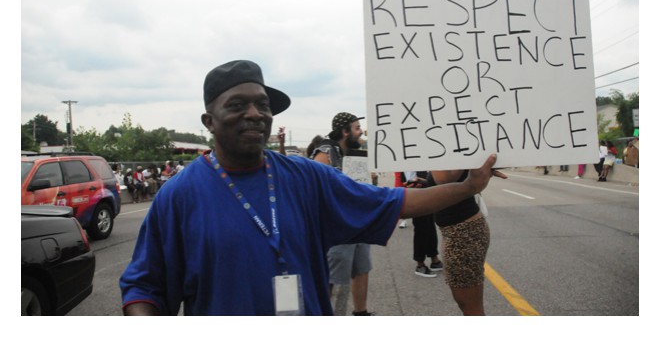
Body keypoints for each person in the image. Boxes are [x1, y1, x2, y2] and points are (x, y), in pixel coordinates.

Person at [119, 60, 505, 316]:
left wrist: (468, 186)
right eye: (237, 105)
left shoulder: (305, 177)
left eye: (262, 105)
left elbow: (396, 202)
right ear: (209, 120)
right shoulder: (179, 195)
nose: (255, 114)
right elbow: (144, 287)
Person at [310, 112, 375, 316]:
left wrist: (368, 179)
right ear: (345, 131)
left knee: (361, 268)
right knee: (330, 276)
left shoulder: (353, 153)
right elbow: (314, 186)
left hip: (357, 222)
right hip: (336, 225)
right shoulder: (326, 151)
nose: (360, 132)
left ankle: (361, 312)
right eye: (356, 128)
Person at [431, 169, 490, 315]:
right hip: (458, 231)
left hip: (463, 232)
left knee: (471, 307)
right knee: (465, 304)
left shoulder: (454, 152)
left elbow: (443, 179)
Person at [403, 171, 444, 277]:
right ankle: (420, 264)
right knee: (421, 227)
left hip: (426, 186)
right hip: (416, 190)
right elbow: (410, 179)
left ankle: (434, 259)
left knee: (429, 225)